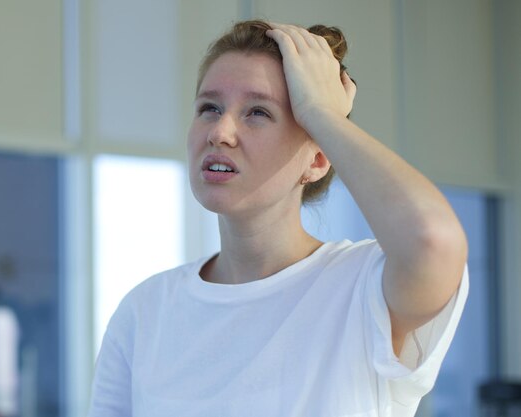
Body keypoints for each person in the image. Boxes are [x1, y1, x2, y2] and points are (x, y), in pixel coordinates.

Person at [87, 20, 469, 417]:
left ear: (318, 160)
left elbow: (432, 240)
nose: (219, 131)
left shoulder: (363, 288)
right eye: (209, 108)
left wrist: (322, 114)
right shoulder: (145, 311)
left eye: (257, 112)